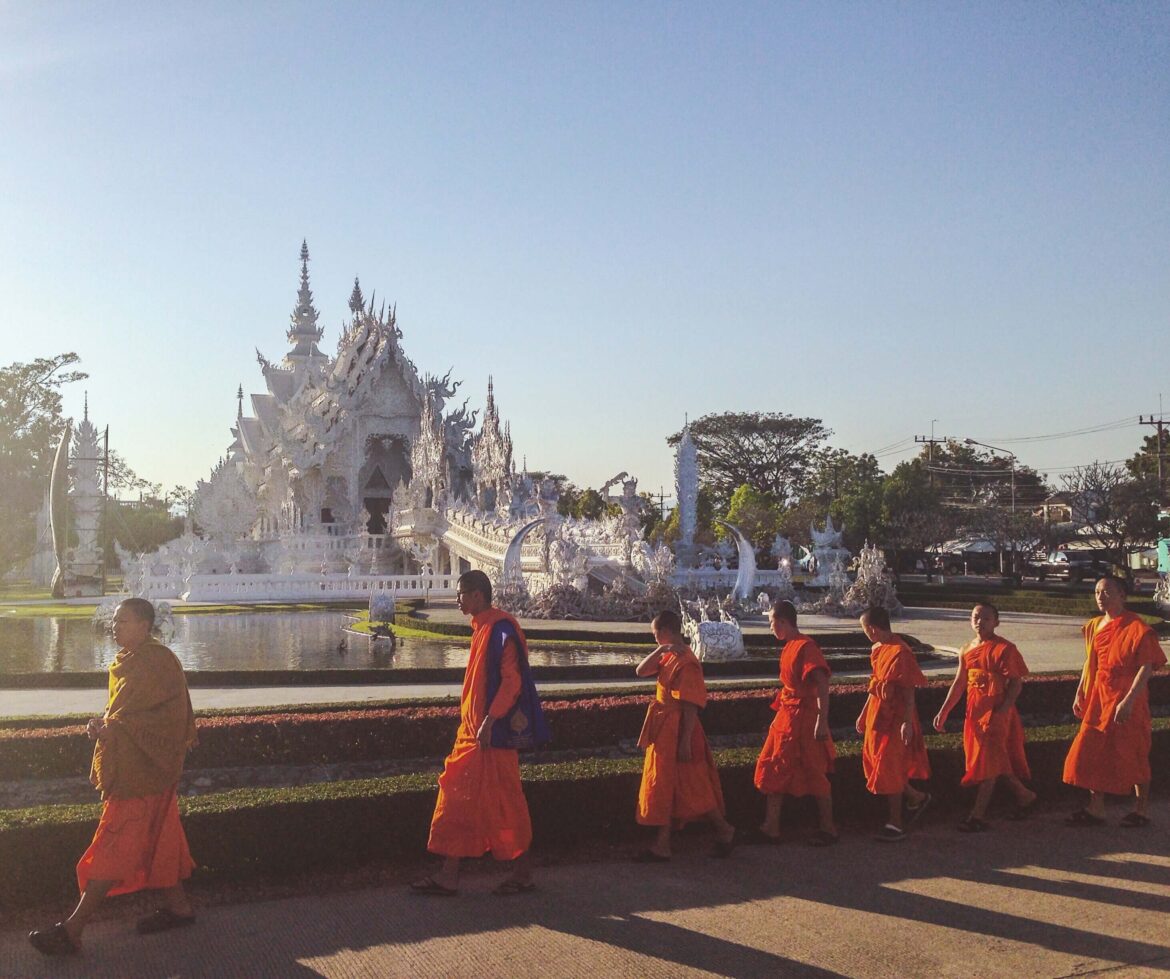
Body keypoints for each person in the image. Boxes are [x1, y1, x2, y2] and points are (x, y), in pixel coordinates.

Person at [29, 598, 198, 957]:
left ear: (144, 625)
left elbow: (169, 720)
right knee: (158, 840)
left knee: (113, 846)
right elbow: (124, 712)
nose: (115, 627)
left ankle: (72, 931)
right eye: (115, 621)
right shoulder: (127, 663)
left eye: (123, 621)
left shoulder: (158, 661)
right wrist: (105, 725)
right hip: (139, 770)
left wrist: (115, 728)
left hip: (145, 772)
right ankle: (179, 907)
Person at [411, 569, 548, 896]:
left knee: (502, 802)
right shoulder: (483, 629)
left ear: (477, 595)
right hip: (473, 735)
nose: (457, 599)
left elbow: (512, 682)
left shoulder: (501, 630)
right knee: (462, 799)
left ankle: (516, 872)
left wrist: (489, 721)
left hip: (491, 736)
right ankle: (451, 874)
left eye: (461, 593)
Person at [1063, 575, 1166, 827]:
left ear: (1123, 595)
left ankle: (1140, 811)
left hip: (1127, 695)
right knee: (1089, 747)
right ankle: (1096, 807)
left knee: (1134, 751)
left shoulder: (1136, 626)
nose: (1101, 596)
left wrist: (1129, 700)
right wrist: (1080, 691)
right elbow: (1091, 662)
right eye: (1097, 591)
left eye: (1107, 591)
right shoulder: (1094, 625)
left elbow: (1147, 666)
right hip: (1100, 696)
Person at [634, 609, 736, 861]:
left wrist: (685, 741)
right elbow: (640, 671)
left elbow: (690, 705)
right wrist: (660, 651)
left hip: (679, 729)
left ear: (666, 632)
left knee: (693, 785)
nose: (655, 639)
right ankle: (663, 844)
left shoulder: (686, 661)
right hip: (665, 728)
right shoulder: (669, 656)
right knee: (669, 786)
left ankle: (724, 829)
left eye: (656, 635)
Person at [932, 601, 1037, 831]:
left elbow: (1016, 683)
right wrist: (944, 711)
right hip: (976, 712)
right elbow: (960, 683)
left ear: (996, 622)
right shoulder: (966, 649)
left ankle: (977, 816)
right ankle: (1025, 795)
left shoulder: (1005, 649)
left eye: (986, 618)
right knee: (993, 759)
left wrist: (1003, 709)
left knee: (990, 761)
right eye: (976, 617)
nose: (980, 622)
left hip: (997, 711)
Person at [753, 600, 838, 845]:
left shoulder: (805, 646)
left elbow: (822, 683)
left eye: (771, 623)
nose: (770, 628)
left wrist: (822, 721)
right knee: (774, 766)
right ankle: (771, 826)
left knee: (814, 771)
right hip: (788, 715)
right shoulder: (791, 645)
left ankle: (829, 828)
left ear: (782, 622)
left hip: (805, 717)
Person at [856, 606, 932, 842]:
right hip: (878, 715)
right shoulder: (878, 650)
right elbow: (874, 685)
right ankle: (917, 797)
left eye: (865, 630)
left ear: (872, 629)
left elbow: (909, 691)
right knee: (876, 762)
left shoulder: (901, 652)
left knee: (890, 767)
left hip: (897, 717)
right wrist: (862, 714)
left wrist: (907, 723)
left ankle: (896, 822)